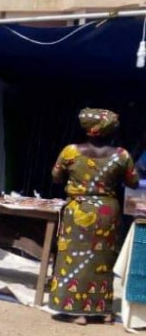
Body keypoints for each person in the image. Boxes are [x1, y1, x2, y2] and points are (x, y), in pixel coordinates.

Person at [48, 108, 140, 324]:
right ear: (111, 130)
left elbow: (56, 177)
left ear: (87, 129)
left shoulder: (70, 151)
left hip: (77, 209)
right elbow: (133, 182)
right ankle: (101, 310)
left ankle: (74, 311)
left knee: (71, 258)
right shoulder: (121, 155)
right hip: (106, 213)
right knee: (102, 259)